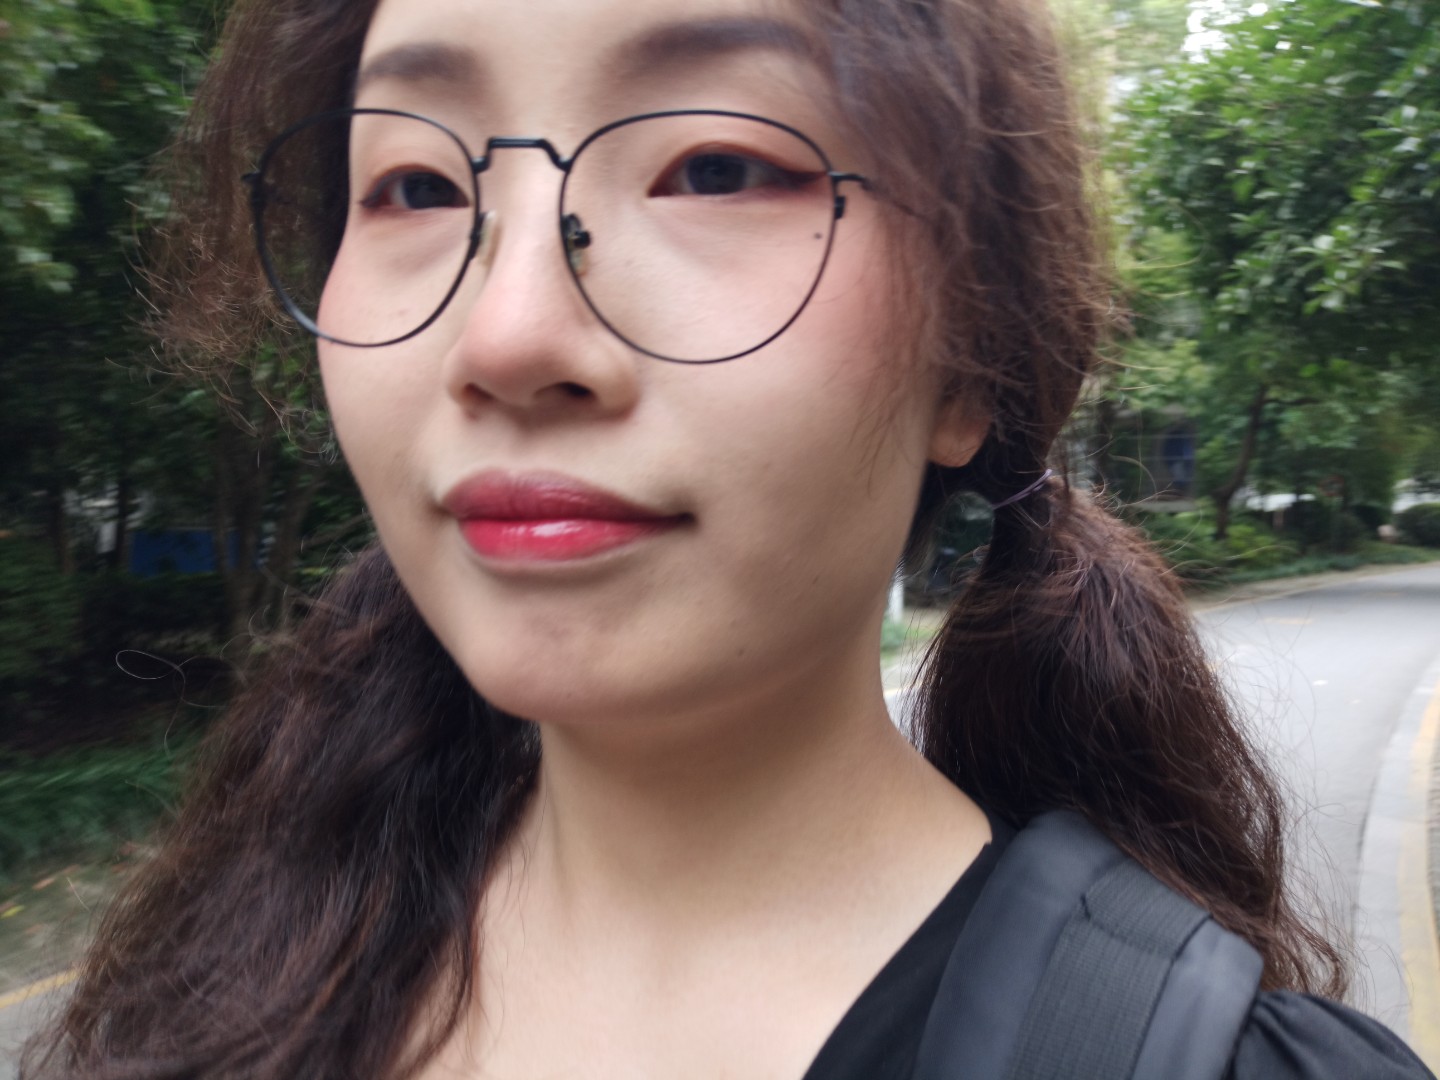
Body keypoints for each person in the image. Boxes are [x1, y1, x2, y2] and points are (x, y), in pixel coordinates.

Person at [23, 0, 1438, 1077]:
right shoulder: (230, 966)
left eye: (712, 167)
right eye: (417, 186)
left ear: (972, 359)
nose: (506, 336)